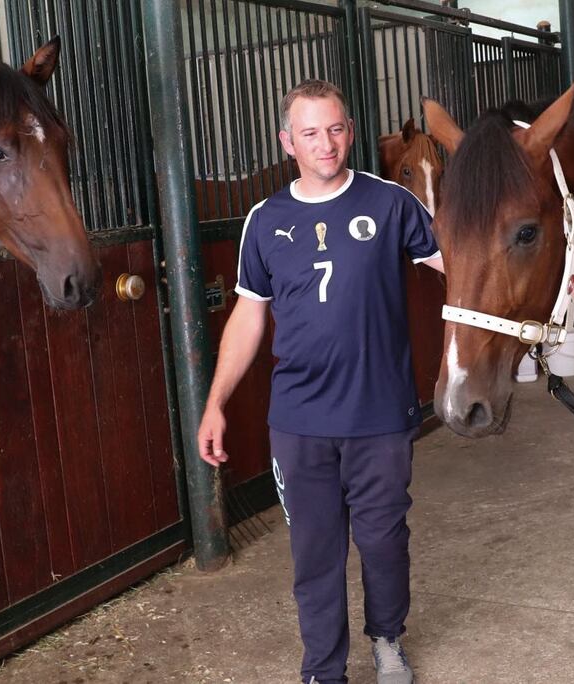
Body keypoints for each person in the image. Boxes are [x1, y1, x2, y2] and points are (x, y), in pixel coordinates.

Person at [196, 79, 443, 684]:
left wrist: (544, 291)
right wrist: (217, 402)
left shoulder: (391, 203)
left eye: (334, 129)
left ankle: (387, 639)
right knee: (315, 552)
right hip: (300, 420)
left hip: (380, 414)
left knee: (384, 542)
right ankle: (323, 670)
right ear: (288, 142)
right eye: (310, 133)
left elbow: (463, 266)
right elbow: (249, 315)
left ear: (350, 132)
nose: (325, 144)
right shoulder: (266, 219)